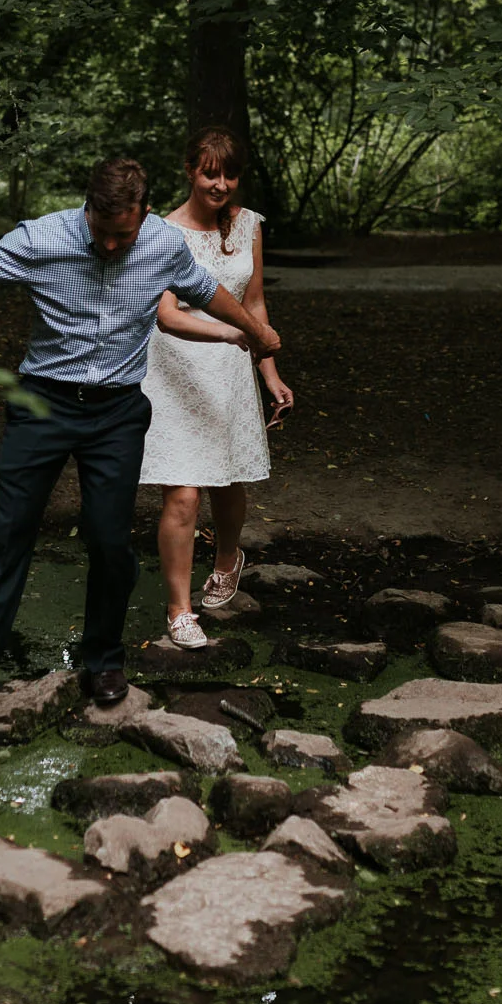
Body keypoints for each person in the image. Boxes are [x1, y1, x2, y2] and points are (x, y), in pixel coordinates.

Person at [0, 157, 280, 719]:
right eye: (100, 232)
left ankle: (102, 662)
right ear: (87, 210)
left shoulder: (162, 243)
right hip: (44, 406)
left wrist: (255, 330)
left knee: (109, 542)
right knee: (7, 538)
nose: (108, 246)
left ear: (144, 214)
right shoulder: (44, 238)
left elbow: (205, 291)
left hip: (118, 414)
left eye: (121, 235)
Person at [140, 127, 293, 650]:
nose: (220, 183)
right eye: (210, 172)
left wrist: (269, 374)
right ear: (189, 170)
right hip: (175, 371)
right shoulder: (162, 232)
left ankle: (229, 558)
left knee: (228, 482)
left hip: (230, 372)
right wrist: (233, 335)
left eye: (229, 174)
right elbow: (164, 315)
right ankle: (179, 609)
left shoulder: (249, 225)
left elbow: (254, 305)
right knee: (183, 495)